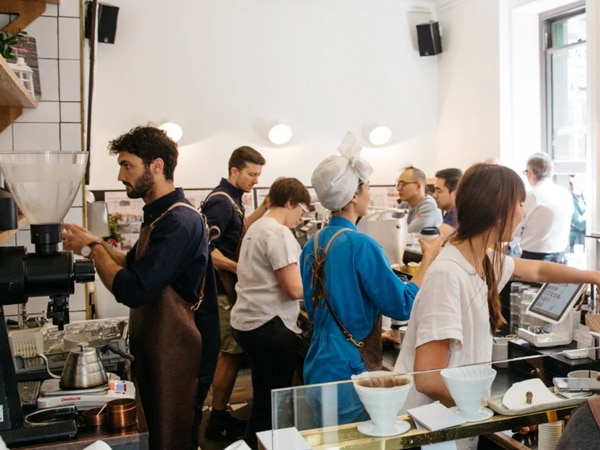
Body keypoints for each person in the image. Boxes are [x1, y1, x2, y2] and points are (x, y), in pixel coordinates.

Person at [394, 163, 600, 450]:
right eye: (519, 204)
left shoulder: (484, 260)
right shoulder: (448, 274)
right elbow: (428, 379)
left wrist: (594, 276)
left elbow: (538, 271)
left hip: (454, 424)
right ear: (498, 209)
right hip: (428, 431)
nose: (523, 213)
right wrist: (493, 409)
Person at [62, 125, 218, 450]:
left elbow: (133, 289)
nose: (120, 175)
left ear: (157, 166)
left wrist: (92, 251)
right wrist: (95, 243)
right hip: (159, 350)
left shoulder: (180, 222)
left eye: (127, 165)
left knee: (174, 439)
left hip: (181, 355)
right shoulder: (158, 217)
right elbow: (131, 264)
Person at [300, 133, 442, 426]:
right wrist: (428, 258)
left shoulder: (311, 244)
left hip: (316, 362)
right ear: (354, 194)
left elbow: (314, 309)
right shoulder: (360, 245)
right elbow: (402, 305)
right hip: (350, 366)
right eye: (365, 187)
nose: (369, 193)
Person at [230, 177, 311, 449]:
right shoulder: (278, 232)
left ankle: (253, 442)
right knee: (273, 402)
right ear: (289, 202)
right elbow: (293, 289)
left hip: (248, 322)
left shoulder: (256, 227)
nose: (300, 217)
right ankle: (261, 444)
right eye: (301, 209)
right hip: (269, 326)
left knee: (264, 396)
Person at [203, 146, 269, 441]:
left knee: (231, 351)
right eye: (252, 174)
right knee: (229, 353)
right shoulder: (220, 202)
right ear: (234, 171)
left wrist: (264, 208)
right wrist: (241, 268)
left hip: (225, 287)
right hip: (218, 289)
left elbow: (238, 228)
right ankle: (217, 419)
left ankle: (221, 411)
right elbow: (207, 250)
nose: (255, 179)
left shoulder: (230, 200)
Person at [515, 152, 573, 263]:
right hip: (561, 258)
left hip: (534, 259)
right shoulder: (565, 194)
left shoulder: (531, 196)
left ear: (531, 174)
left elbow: (515, 227)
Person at [396, 166, 442, 233]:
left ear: (418, 186)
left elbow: (408, 232)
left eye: (403, 184)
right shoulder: (404, 204)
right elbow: (389, 225)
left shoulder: (428, 205)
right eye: (398, 184)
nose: (398, 189)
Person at [432, 168, 462, 238]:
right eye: (434, 190)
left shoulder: (456, 213)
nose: (434, 195)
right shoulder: (450, 213)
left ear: (455, 193)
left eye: (439, 191)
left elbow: (436, 242)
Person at [569, 174, 586, 252]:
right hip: (573, 246)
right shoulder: (569, 198)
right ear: (571, 179)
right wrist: (590, 212)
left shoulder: (581, 197)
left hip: (582, 243)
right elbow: (580, 224)